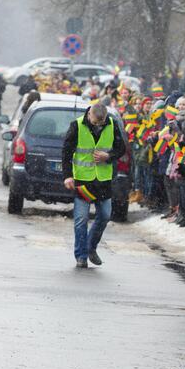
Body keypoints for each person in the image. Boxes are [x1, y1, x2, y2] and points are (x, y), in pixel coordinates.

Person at [62, 103, 126, 268]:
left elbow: (121, 148)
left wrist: (109, 156)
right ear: (89, 114)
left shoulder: (112, 124)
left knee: (105, 216)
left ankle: (91, 247)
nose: (99, 125)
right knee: (81, 219)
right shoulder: (76, 125)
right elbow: (66, 152)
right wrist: (68, 176)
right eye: (96, 122)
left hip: (103, 181)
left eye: (101, 122)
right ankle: (81, 256)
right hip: (84, 181)